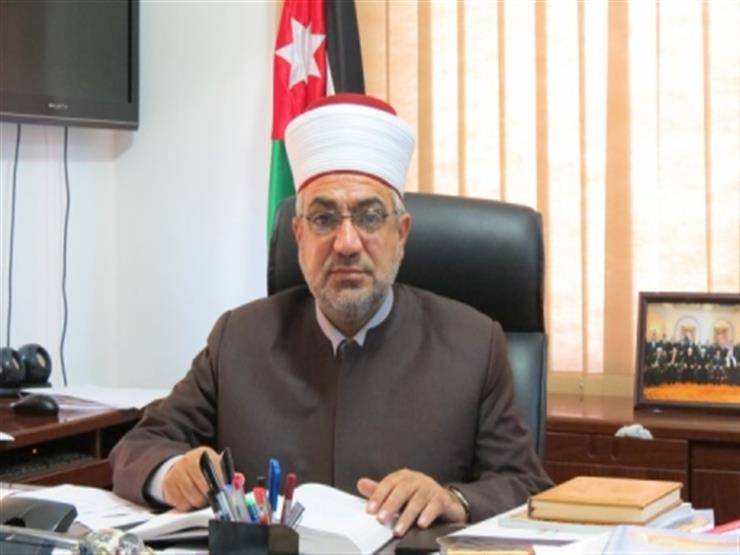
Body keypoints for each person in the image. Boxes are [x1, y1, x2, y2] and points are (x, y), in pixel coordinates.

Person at [110, 93, 552, 536]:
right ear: (298, 235)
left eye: (369, 217)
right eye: (323, 219)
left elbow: (525, 485)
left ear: (401, 234)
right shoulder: (239, 338)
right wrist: (172, 473)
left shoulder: (473, 344)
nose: (346, 243)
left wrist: (454, 499)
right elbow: (141, 446)